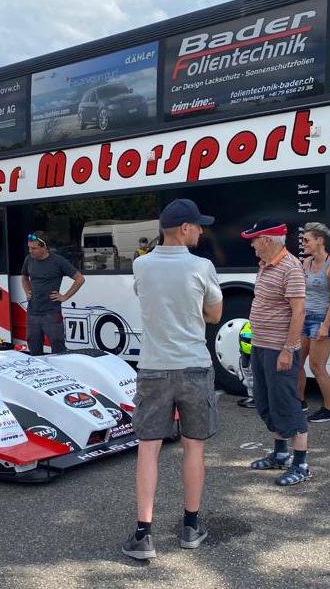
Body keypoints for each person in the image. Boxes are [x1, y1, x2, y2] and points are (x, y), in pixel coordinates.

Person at [122, 199, 222, 560]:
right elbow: (214, 314)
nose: (200, 231)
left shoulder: (141, 265)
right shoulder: (202, 266)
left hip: (153, 367)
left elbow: (146, 298)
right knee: (194, 447)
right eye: (197, 226)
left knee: (148, 448)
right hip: (194, 366)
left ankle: (143, 535)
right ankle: (191, 528)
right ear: (183, 228)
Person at [241, 219, 311, 486]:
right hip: (261, 346)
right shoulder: (265, 265)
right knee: (266, 400)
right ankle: (280, 454)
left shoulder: (290, 268)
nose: (252, 244)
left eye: (255, 239)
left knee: (287, 404)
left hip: (278, 349)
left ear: (267, 241)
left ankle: (301, 464)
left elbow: (299, 312)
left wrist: (287, 350)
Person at [297, 222, 330, 423]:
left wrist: (325, 325)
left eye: (307, 240)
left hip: (322, 320)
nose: (303, 243)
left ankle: (329, 409)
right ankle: (299, 402)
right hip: (305, 318)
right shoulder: (305, 263)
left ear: (319, 241)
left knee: (317, 366)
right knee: (297, 362)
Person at [21, 231, 85, 355]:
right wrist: (27, 291)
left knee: (58, 348)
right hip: (33, 313)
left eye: (34, 248)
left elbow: (80, 279)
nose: (30, 251)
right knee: (33, 347)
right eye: (29, 248)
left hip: (51, 313)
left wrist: (65, 296)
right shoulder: (29, 259)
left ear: (44, 247)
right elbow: (24, 277)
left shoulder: (58, 261)